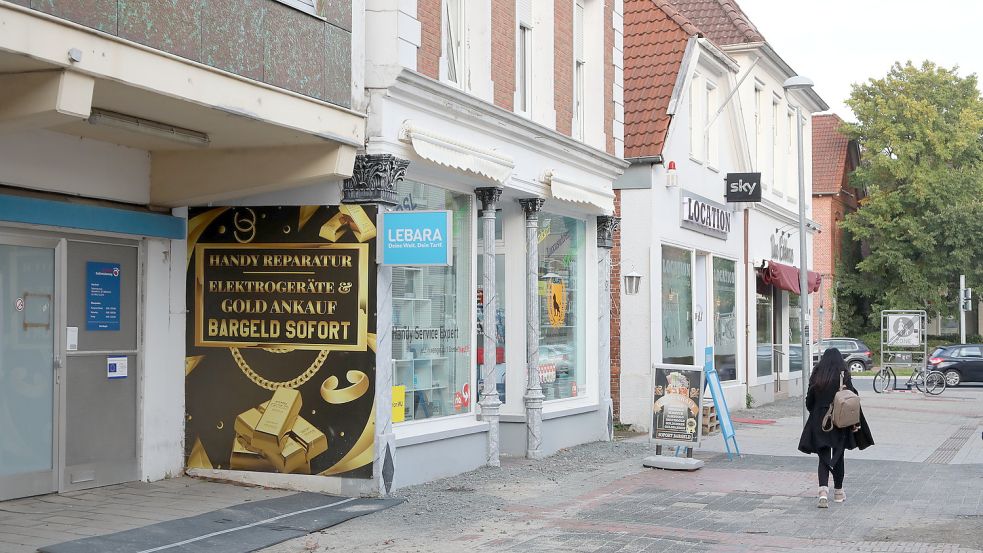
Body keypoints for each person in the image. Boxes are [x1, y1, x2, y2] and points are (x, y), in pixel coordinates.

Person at [798, 348, 874, 508]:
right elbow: (852, 395)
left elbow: (809, 401)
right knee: (838, 456)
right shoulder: (843, 374)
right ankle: (838, 492)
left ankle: (823, 493)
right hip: (840, 420)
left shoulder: (818, 373)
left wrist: (817, 409)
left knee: (823, 455)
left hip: (820, 420)